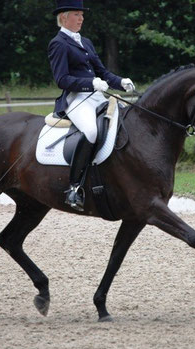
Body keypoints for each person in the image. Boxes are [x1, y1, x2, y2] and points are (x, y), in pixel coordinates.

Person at [48, 0, 135, 212]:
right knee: (91, 131)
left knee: (124, 122)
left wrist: (120, 82)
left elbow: (102, 72)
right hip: (76, 99)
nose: (81, 18)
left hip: (97, 97)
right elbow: (61, 79)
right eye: (77, 14)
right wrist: (90, 83)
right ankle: (74, 188)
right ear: (64, 17)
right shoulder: (58, 43)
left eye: (82, 15)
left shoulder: (85, 42)